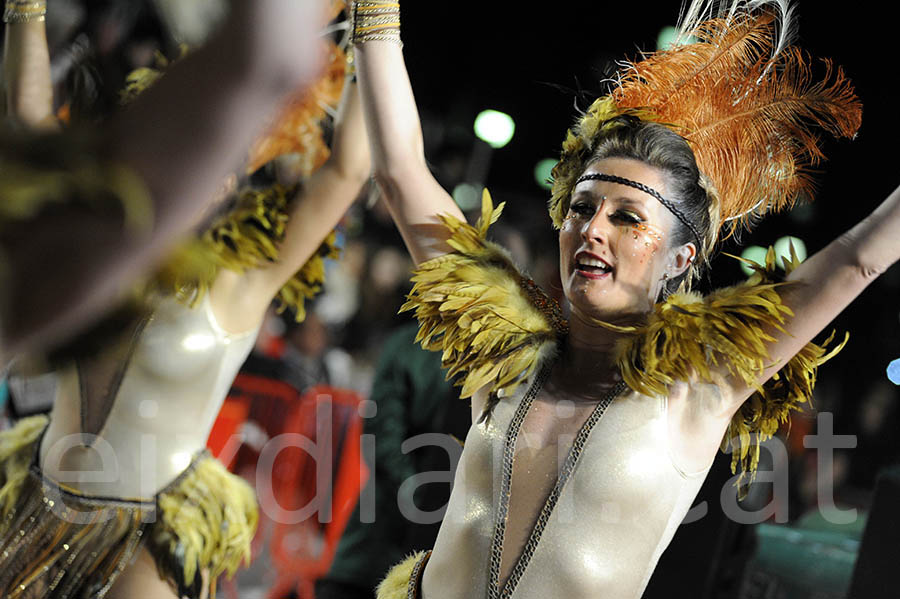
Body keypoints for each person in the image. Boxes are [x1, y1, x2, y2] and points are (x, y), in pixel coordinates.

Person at [350, 1, 900, 598]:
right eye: (582, 208)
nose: (592, 229)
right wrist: (373, 14)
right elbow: (402, 174)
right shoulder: (501, 354)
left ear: (681, 258)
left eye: (626, 217)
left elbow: (856, 258)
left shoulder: (699, 389)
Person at [0, 3, 371, 598]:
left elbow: (348, 170)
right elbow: (29, 117)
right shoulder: (94, 251)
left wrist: (374, 28)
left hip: (145, 538)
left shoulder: (244, 282)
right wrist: (27, 10)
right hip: (34, 511)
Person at [0, 0, 324, 360]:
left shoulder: (233, 287)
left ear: (223, 187)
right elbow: (30, 115)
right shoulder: (90, 229)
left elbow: (267, 63)